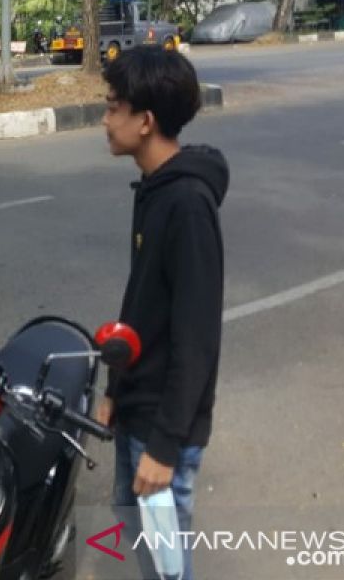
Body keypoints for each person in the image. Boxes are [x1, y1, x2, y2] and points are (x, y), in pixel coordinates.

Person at [96, 47, 229, 580]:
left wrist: (165, 445)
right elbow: (144, 304)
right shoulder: (154, 189)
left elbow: (196, 337)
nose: (105, 121)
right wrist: (114, 388)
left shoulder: (187, 205)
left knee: (167, 566)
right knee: (135, 534)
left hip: (162, 427)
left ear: (145, 121)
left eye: (112, 108)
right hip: (137, 406)